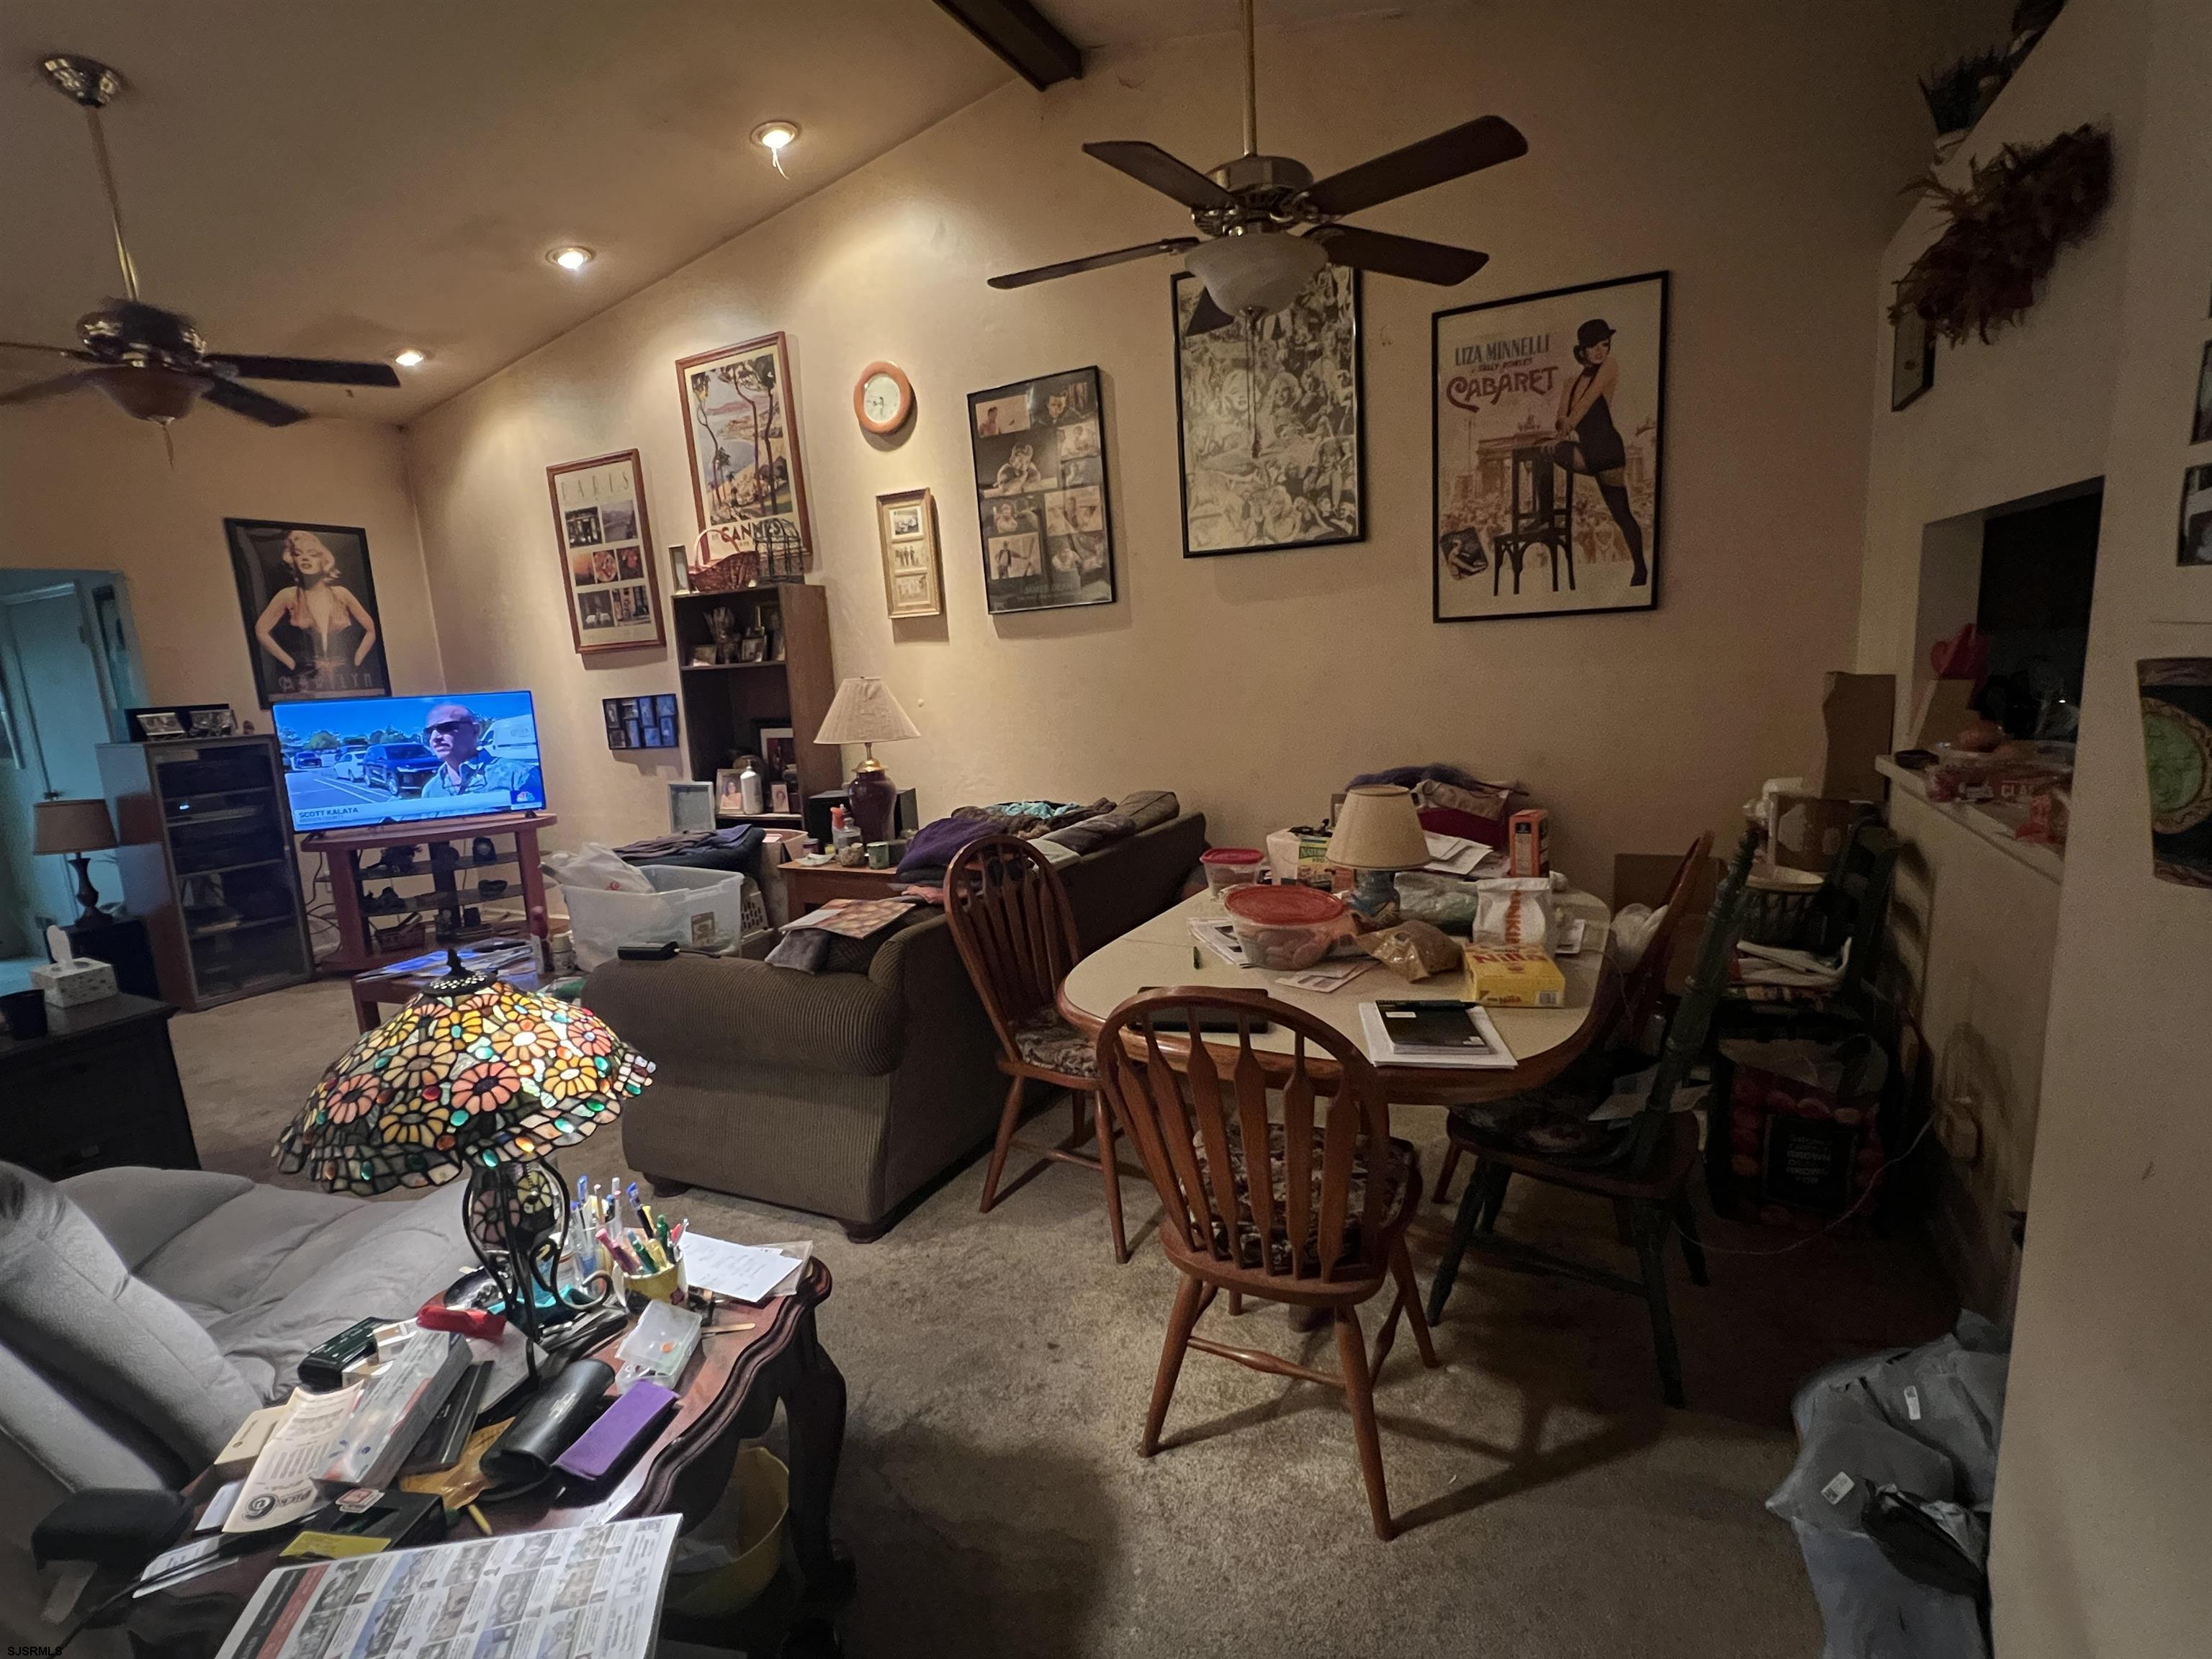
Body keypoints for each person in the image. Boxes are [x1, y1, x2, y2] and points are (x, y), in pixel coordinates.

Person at [1547, 318, 1649, 586]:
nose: (1601, 350)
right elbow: (1562, 414)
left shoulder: (1610, 367)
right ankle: (1543, 519)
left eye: (1605, 344)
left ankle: (1641, 569)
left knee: (1621, 513)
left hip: (1606, 449)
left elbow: (1586, 403)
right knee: (1550, 452)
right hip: (1587, 450)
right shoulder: (1571, 381)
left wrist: (1567, 426)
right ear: (1582, 350)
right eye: (1594, 346)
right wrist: (1559, 431)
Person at [251, 529, 379, 692]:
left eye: (313, 554)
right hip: (304, 683)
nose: (305, 558)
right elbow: (260, 630)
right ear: (293, 560)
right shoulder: (288, 595)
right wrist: (291, 663)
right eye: (298, 554)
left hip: (346, 680)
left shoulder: (341, 594)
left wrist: (358, 659)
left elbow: (371, 628)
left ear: (324, 560)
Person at [419, 702, 541, 804]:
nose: (435, 737)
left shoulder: (518, 775)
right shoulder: (431, 790)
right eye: (429, 732)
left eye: (447, 727)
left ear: (475, 730)